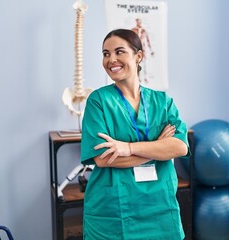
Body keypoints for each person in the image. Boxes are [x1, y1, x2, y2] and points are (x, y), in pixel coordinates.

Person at [80, 29, 190, 240]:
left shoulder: (162, 102)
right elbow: (103, 159)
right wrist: (158, 147)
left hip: (159, 206)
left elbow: (179, 147)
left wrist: (127, 148)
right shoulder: (98, 101)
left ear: (138, 56)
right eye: (105, 54)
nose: (111, 59)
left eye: (119, 51)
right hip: (113, 209)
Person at [131, 18, 154, 84]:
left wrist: (151, 50)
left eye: (140, 21)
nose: (139, 23)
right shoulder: (133, 30)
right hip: (135, 48)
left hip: (143, 48)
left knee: (144, 63)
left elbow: (148, 40)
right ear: (136, 22)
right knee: (136, 63)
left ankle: (145, 77)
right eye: (137, 21)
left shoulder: (144, 30)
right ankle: (138, 78)